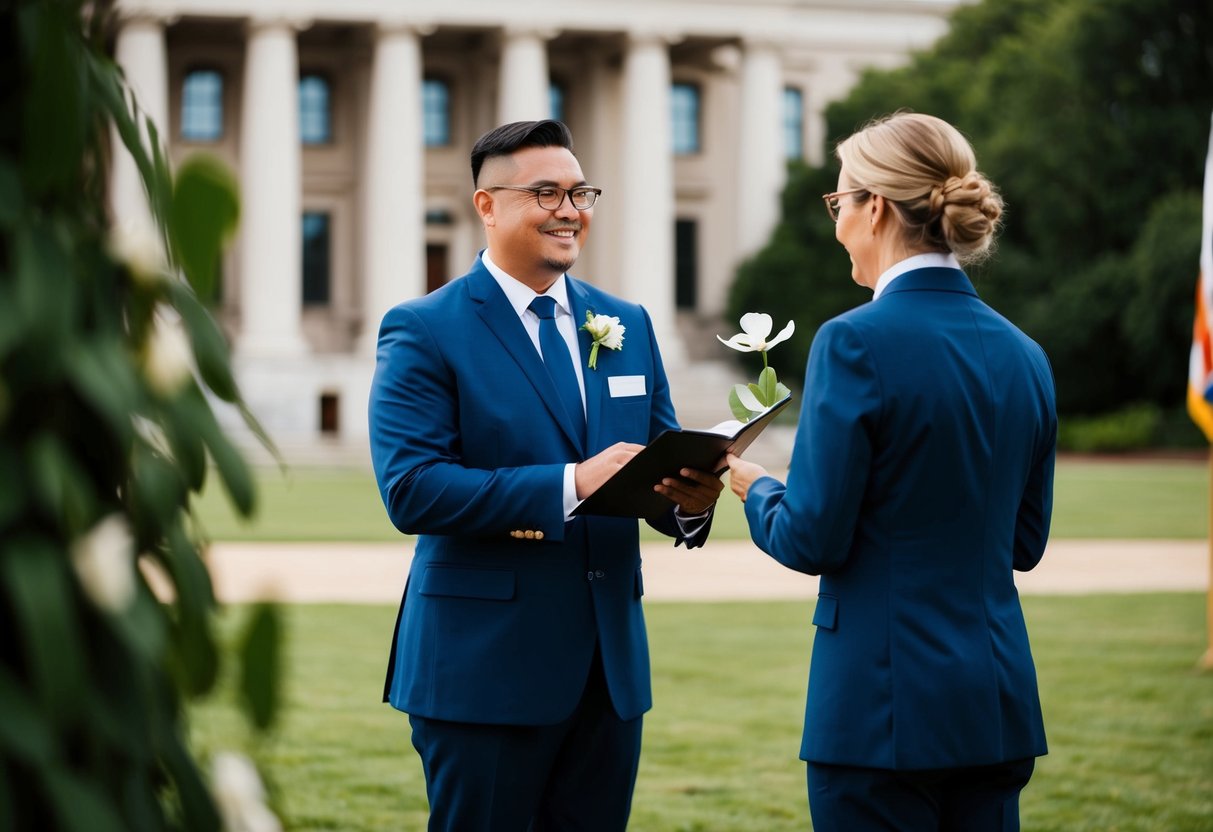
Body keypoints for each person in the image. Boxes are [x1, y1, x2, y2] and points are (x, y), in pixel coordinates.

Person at [368, 119, 724, 831]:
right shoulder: (424, 327)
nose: (570, 210)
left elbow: (650, 461)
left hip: (608, 669)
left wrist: (688, 499)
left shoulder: (626, 322)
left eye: (579, 192)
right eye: (546, 193)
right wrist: (570, 482)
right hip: (482, 671)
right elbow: (412, 489)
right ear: (486, 205)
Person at [726, 112, 1057, 831]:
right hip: (994, 702)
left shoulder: (852, 341)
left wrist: (753, 486)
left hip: (880, 706)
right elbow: (1024, 544)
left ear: (873, 208)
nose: (836, 221)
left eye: (838, 202)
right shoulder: (1025, 354)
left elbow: (810, 538)